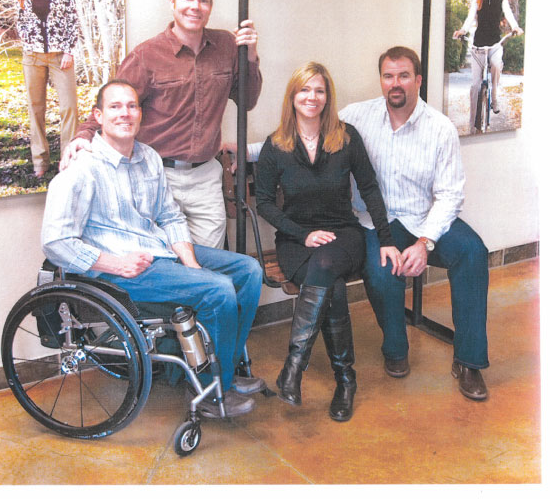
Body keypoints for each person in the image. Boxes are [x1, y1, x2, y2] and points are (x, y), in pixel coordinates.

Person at [42, 79, 265, 418]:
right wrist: (114, 263)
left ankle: (226, 374)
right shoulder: (82, 169)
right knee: (218, 290)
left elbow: (170, 216)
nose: (125, 113)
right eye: (115, 107)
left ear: (140, 114)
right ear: (98, 116)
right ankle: (212, 391)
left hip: (160, 251)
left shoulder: (148, 158)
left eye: (132, 106)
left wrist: (190, 262)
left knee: (248, 270)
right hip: (121, 268)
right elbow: (55, 240)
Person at [61, 0, 262, 248]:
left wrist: (250, 57)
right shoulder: (147, 55)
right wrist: (83, 135)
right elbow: (115, 103)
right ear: (172, 1)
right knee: (165, 260)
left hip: (206, 175)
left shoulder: (227, 45)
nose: (195, 6)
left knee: (208, 264)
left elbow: (248, 100)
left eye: (203, 0)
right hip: (157, 174)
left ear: (211, 6)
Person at [339, 46, 490, 401]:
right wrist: (245, 150)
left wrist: (425, 243)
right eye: (388, 76)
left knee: (472, 252)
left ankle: (469, 361)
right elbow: (303, 131)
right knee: (381, 270)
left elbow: (451, 195)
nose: (396, 84)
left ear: (418, 80)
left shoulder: (440, 128)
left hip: (423, 218)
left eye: (404, 76)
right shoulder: (356, 116)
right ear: (381, 80)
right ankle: (395, 348)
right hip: (375, 222)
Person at [254, 62, 397, 421]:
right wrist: (303, 233)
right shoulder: (276, 146)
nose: (312, 97)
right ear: (293, 97)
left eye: (319, 90)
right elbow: (265, 203)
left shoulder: (346, 138)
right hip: (295, 241)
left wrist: (385, 239)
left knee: (327, 264)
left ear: (328, 97)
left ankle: (293, 368)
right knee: (329, 283)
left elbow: (369, 189)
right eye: (305, 90)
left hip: (342, 235)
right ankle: (346, 380)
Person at [16, 0, 79, 177]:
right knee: (36, 108)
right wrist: (27, 42)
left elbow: (72, 18)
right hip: (32, 56)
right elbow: (20, 20)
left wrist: (68, 50)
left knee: (69, 107)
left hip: (59, 55)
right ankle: (40, 163)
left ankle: (70, 160)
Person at [453, 0, 523, 128]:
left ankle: (495, 96)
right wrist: (463, 29)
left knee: (496, 64)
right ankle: (472, 125)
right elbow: (471, 14)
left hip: (494, 43)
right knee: (475, 86)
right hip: (478, 44)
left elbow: (507, 12)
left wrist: (515, 27)